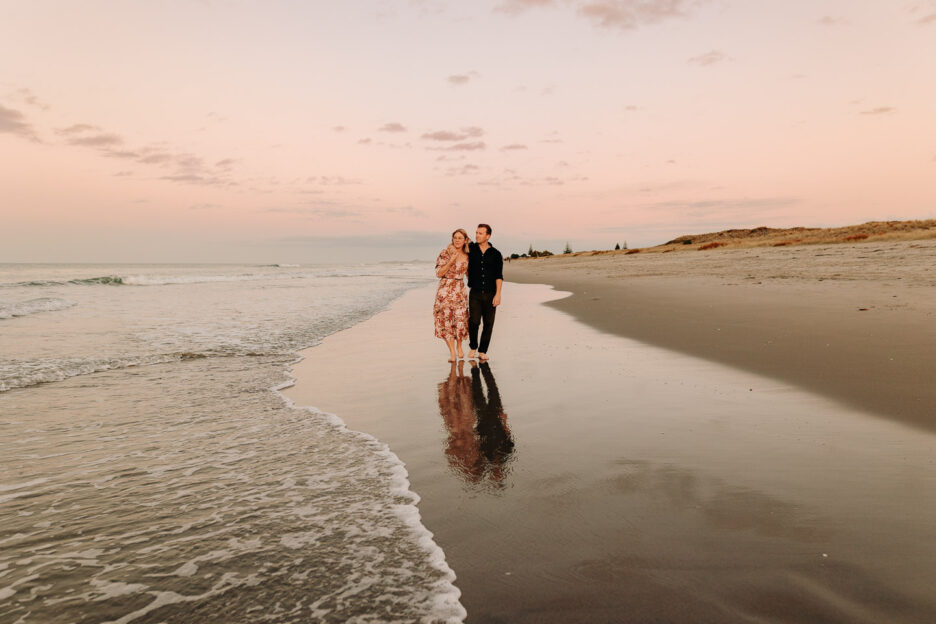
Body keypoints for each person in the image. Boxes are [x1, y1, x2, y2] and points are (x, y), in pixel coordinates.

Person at [466, 223, 503, 361]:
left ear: (488, 236)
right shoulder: (470, 249)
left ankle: (482, 351)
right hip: (475, 293)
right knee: (474, 321)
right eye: (476, 232)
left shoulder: (496, 254)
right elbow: (459, 242)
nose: (477, 235)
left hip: (490, 294)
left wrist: (498, 294)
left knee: (488, 323)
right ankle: (473, 347)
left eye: (480, 233)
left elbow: (499, 276)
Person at [433, 229, 470, 362]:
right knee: (445, 322)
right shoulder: (445, 253)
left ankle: (459, 346)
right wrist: (451, 261)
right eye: (455, 237)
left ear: (465, 240)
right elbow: (438, 273)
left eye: (460, 238)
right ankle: (452, 352)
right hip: (445, 290)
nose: (457, 240)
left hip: (459, 289)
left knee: (460, 320)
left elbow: (469, 275)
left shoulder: (468, 255)